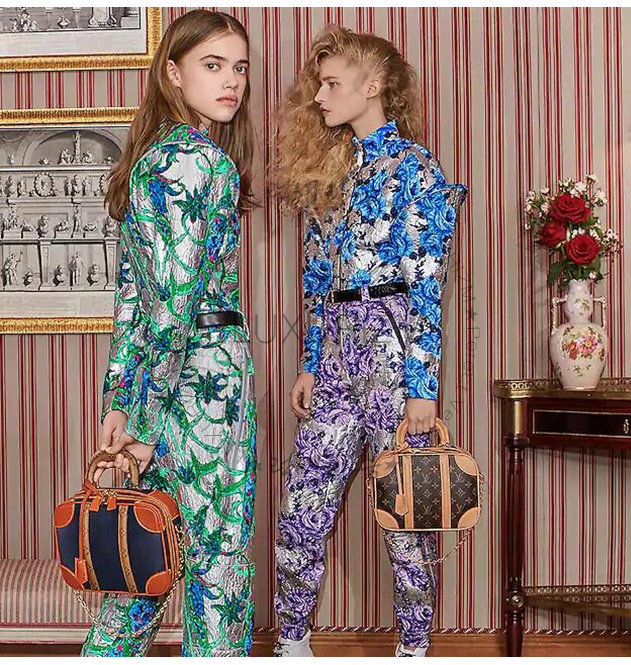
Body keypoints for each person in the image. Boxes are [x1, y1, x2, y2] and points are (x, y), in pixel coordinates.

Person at [272, 26, 468, 657]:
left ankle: (414, 648)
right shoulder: (329, 172)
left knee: (406, 519)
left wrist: (422, 388)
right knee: (302, 508)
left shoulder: (417, 170)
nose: (320, 96)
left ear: (374, 85)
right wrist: (309, 363)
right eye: (319, 84)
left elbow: (428, 286)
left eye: (332, 83)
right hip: (334, 357)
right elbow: (316, 277)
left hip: (392, 353)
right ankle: (291, 642)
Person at [81, 9, 257, 657]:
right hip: (207, 382)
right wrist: (146, 426)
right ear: (173, 73)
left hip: (159, 386)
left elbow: (133, 301)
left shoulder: (150, 161)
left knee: (141, 561)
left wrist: (121, 403)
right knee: (217, 568)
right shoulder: (202, 162)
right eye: (213, 65)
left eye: (239, 67)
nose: (231, 81)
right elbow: (173, 306)